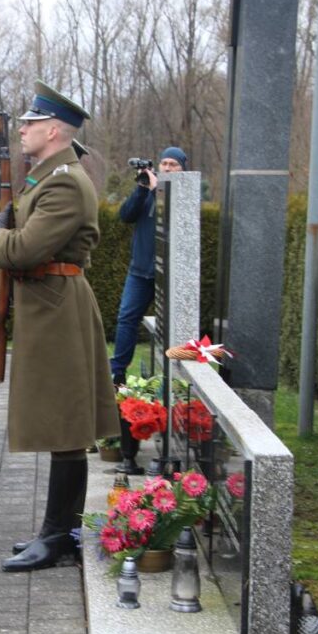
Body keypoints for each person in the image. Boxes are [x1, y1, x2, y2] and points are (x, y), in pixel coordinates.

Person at [0, 82, 119, 571]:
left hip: (58, 308)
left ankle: (59, 535)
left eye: (30, 123)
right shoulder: (48, 176)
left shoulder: (63, 181)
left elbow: (22, 249)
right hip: (47, 305)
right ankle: (57, 530)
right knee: (63, 424)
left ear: (54, 130)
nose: (21, 129)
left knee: (66, 424)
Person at [109, 146, 187, 475]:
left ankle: (179, 377)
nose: (167, 168)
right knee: (126, 318)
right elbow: (125, 216)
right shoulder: (148, 189)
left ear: (183, 170)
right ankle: (117, 370)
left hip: (169, 274)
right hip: (141, 270)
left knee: (170, 330)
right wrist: (143, 188)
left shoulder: (183, 194)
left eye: (174, 165)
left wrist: (162, 190)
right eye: (164, 163)